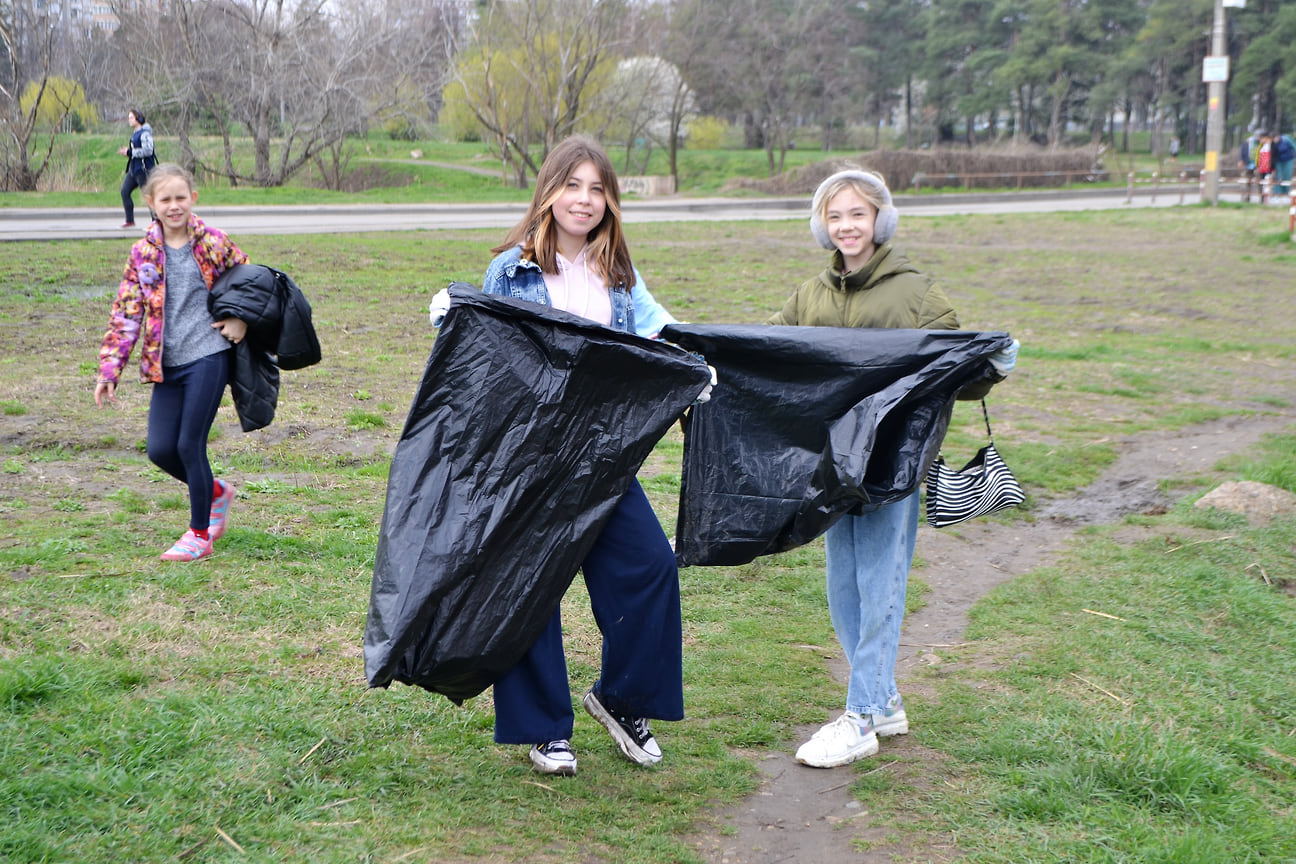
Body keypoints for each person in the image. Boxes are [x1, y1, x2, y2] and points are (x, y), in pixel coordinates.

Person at [432, 135, 694, 777]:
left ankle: (622, 699)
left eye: (597, 189)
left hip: (601, 456)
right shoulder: (512, 271)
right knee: (531, 589)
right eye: (572, 185)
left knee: (651, 567)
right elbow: (487, 358)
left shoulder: (621, 276)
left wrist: (695, 367)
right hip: (529, 460)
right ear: (548, 191)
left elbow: (662, 334)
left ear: (610, 201)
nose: (584, 200)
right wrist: (455, 315)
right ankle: (545, 728)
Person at [767, 168, 1017, 769]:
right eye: (835, 216)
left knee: (880, 581)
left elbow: (958, 370)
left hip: (893, 465)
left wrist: (994, 362)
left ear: (880, 218)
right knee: (842, 584)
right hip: (833, 465)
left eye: (857, 213)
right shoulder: (810, 295)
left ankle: (859, 718)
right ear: (821, 225)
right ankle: (884, 700)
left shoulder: (916, 293)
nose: (847, 225)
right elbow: (770, 349)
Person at [94, 164, 247, 562]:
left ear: (193, 198)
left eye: (181, 197)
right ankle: (215, 491)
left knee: (189, 444)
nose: (174, 205)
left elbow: (250, 284)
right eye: (165, 199)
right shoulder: (143, 252)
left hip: (208, 355)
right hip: (167, 363)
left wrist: (240, 320)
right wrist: (110, 370)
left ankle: (199, 535)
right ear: (150, 203)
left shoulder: (212, 242)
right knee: (161, 450)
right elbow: (126, 313)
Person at [118, 109, 157, 229]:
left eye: (131, 117)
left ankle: (156, 222)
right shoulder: (135, 134)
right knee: (124, 191)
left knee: (148, 196)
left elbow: (148, 150)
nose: (129, 120)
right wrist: (128, 153)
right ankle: (129, 220)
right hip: (133, 170)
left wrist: (130, 152)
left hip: (144, 170)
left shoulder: (145, 133)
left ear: (138, 119)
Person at [1274, 131, 1296, 196]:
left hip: (1288, 160)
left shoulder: (1286, 139)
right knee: (1278, 176)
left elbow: (1294, 147)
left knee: (1287, 176)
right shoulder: (1273, 143)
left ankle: (1286, 193)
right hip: (1278, 161)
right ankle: (1278, 193)